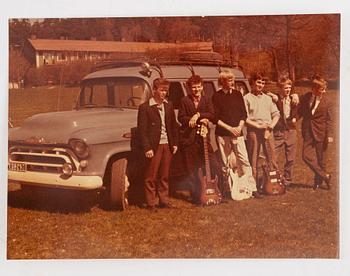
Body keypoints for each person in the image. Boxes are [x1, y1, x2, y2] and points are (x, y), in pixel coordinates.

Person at [212, 69, 258, 199]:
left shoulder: (238, 95)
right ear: (222, 82)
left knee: (244, 161)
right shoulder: (217, 96)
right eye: (229, 80)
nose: (231, 82)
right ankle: (227, 189)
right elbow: (215, 118)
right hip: (223, 134)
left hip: (238, 134)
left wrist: (239, 127)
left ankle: (252, 188)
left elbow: (243, 114)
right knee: (225, 162)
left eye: (232, 79)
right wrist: (229, 129)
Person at [137, 78, 179, 211]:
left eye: (166, 91)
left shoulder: (168, 105)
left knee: (164, 175)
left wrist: (175, 143)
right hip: (154, 146)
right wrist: (147, 147)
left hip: (167, 144)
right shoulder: (145, 107)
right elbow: (142, 131)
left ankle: (164, 200)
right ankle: (151, 203)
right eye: (161, 90)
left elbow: (173, 126)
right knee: (151, 175)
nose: (163, 93)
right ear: (154, 90)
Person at [178, 74, 219, 204]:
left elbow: (212, 114)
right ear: (190, 88)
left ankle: (215, 190)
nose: (196, 90)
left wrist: (198, 115)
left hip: (204, 138)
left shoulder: (207, 100)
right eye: (194, 87)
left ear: (202, 87)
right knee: (192, 169)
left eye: (198, 87)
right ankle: (196, 195)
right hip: (189, 139)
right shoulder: (184, 100)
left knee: (213, 164)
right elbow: (181, 117)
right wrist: (191, 120)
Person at [244, 72, 280, 194]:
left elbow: (276, 114)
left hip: (267, 131)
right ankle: (254, 187)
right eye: (258, 82)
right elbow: (244, 118)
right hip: (253, 131)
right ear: (252, 83)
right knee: (254, 159)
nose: (261, 85)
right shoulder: (247, 98)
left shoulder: (268, 98)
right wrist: (257, 125)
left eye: (263, 83)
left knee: (271, 158)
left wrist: (270, 126)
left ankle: (273, 183)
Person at [298, 75, 333, 190]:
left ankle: (318, 182)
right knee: (305, 156)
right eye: (321, 89)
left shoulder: (327, 101)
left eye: (324, 89)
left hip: (321, 132)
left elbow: (329, 119)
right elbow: (300, 111)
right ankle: (325, 176)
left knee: (321, 159)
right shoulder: (305, 97)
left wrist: (330, 135)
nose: (324, 91)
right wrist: (294, 118)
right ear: (314, 88)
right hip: (308, 131)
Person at [273, 78, 299, 186]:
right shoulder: (275, 98)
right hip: (278, 131)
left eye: (289, 88)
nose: (288, 90)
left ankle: (288, 180)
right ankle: (275, 177)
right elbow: (264, 93)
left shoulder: (294, 99)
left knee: (291, 158)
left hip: (291, 131)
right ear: (280, 88)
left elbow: (300, 111)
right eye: (285, 88)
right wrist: (271, 94)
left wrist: (295, 118)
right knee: (273, 156)